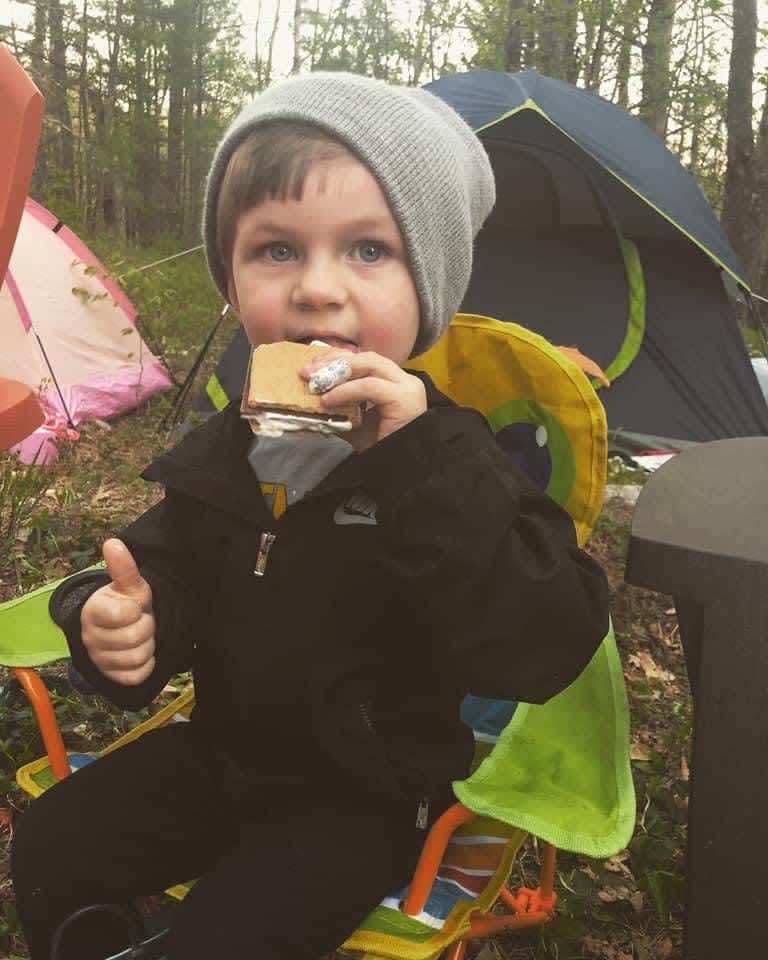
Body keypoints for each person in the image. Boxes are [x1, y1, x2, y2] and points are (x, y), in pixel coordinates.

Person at [11, 71, 609, 960]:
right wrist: (120, 619)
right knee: (53, 842)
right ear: (231, 276)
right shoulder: (229, 445)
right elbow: (164, 566)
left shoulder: (454, 459)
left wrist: (416, 469)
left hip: (368, 794)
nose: (317, 289)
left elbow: (546, 640)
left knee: (229, 937)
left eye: (369, 250)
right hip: (224, 752)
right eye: (277, 249)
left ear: (430, 287)